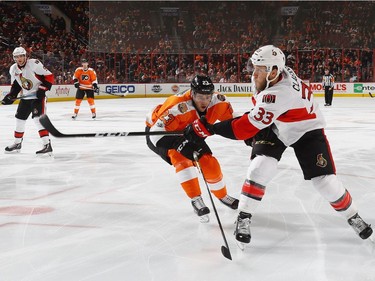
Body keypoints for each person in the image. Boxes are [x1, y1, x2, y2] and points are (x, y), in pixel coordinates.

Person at [184, 45, 372, 244]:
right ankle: (244, 216)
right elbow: (259, 113)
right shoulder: (273, 76)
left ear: (273, 72)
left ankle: (353, 216)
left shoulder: (280, 92)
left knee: (324, 182)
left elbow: (244, 127)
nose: (253, 73)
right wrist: (253, 126)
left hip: (306, 130)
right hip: (277, 124)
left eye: (259, 69)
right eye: (254, 67)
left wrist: (208, 128)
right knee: (260, 167)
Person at [145, 74, 239, 222]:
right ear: (192, 93)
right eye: (201, 97)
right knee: (182, 159)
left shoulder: (219, 101)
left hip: (190, 131)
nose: (205, 101)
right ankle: (196, 198)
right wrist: (179, 144)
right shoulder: (177, 106)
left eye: (208, 97)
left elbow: (234, 123)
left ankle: (222, 195)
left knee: (209, 162)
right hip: (164, 134)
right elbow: (155, 136)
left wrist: (251, 135)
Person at [1, 46, 54, 155]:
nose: (19, 58)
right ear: (14, 58)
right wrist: (11, 96)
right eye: (16, 57)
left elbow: (49, 76)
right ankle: (17, 143)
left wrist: (42, 89)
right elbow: (16, 85)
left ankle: (47, 145)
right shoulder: (13, 69)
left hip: (38, 98)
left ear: (25, 56)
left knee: (37, 119)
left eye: (21, 56)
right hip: (25, 98)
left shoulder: (34, 63)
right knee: (19, 120)